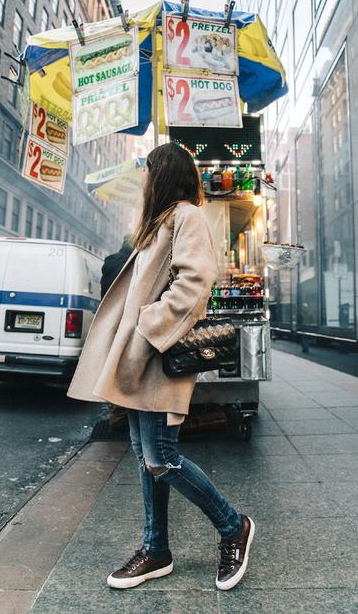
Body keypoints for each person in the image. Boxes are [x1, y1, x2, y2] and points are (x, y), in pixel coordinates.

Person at [66, 142, 255, 591]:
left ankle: (234, 527)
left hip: (156, 355)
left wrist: (148, 326)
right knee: (146, 457)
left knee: (162, 459)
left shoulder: (186, 216)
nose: (145, 181)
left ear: (164, 174)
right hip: (140, 360)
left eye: (149, 172)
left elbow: (196, 281)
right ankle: (156, 549)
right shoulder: (161, 221)